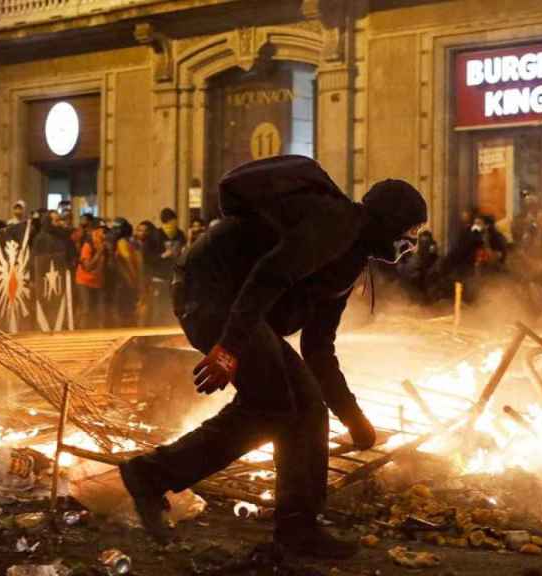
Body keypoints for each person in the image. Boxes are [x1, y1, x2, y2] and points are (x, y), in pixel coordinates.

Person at [119, 155, 427, 557]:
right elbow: (269, 275)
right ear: (389, 221)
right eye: (410, 230)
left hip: (240, 306)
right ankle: (148, 475)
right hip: (211, 293)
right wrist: (228, 348)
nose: (411, 243)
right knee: (272, 406)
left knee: (308, 407)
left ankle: (299, 528)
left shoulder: (349, 257)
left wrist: (354, 420)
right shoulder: (336, 224)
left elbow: (318, 348)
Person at [74, 226, 106, 329]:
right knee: (86, 309)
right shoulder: (88, 246)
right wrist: (99, 253)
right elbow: (87, 267)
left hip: (97, 282)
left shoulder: (105, 246)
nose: (103, 235)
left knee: (99, 311)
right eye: (101, 232)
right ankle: (80, 332)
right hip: (84, 281)